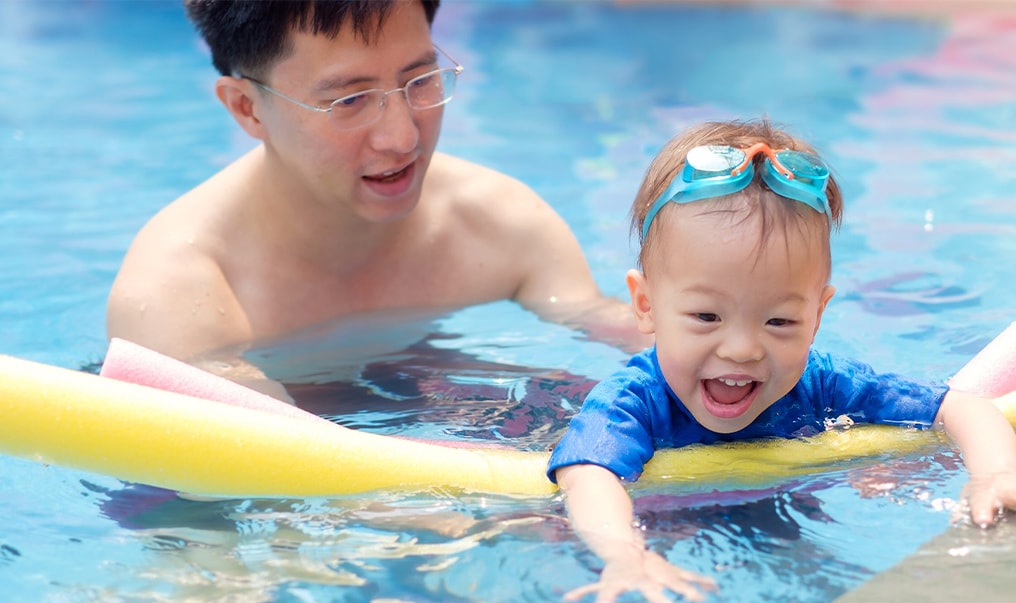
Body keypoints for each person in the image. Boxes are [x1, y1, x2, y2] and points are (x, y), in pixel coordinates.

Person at [547, 118, 1016, 603]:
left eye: (779, 322)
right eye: (706, 316)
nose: (742, 349)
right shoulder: (634, 399)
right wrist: (624, 554)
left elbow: (961, 407)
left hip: (779, 516)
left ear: (817, 314)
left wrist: (995, 474)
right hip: (663, 532)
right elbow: (588, 474)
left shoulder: (825, 384)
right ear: (645, 306)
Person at [106, 0, 642, 399]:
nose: (402, 137)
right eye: (350, 99)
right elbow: (274, 479)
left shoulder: (499, 223)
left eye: (421, 79)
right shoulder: (182, 289)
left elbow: (607, 326)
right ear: (248, 109)